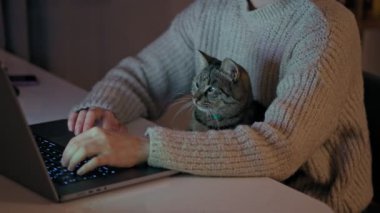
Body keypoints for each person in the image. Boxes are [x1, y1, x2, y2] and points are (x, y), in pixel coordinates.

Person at [60, 0, 373, 212]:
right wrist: (100, 110)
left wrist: (145, 149)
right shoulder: (212, 8)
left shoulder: (325, 26)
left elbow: (280, 147)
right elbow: (143, 74)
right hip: (227, 189)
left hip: (311, 201)